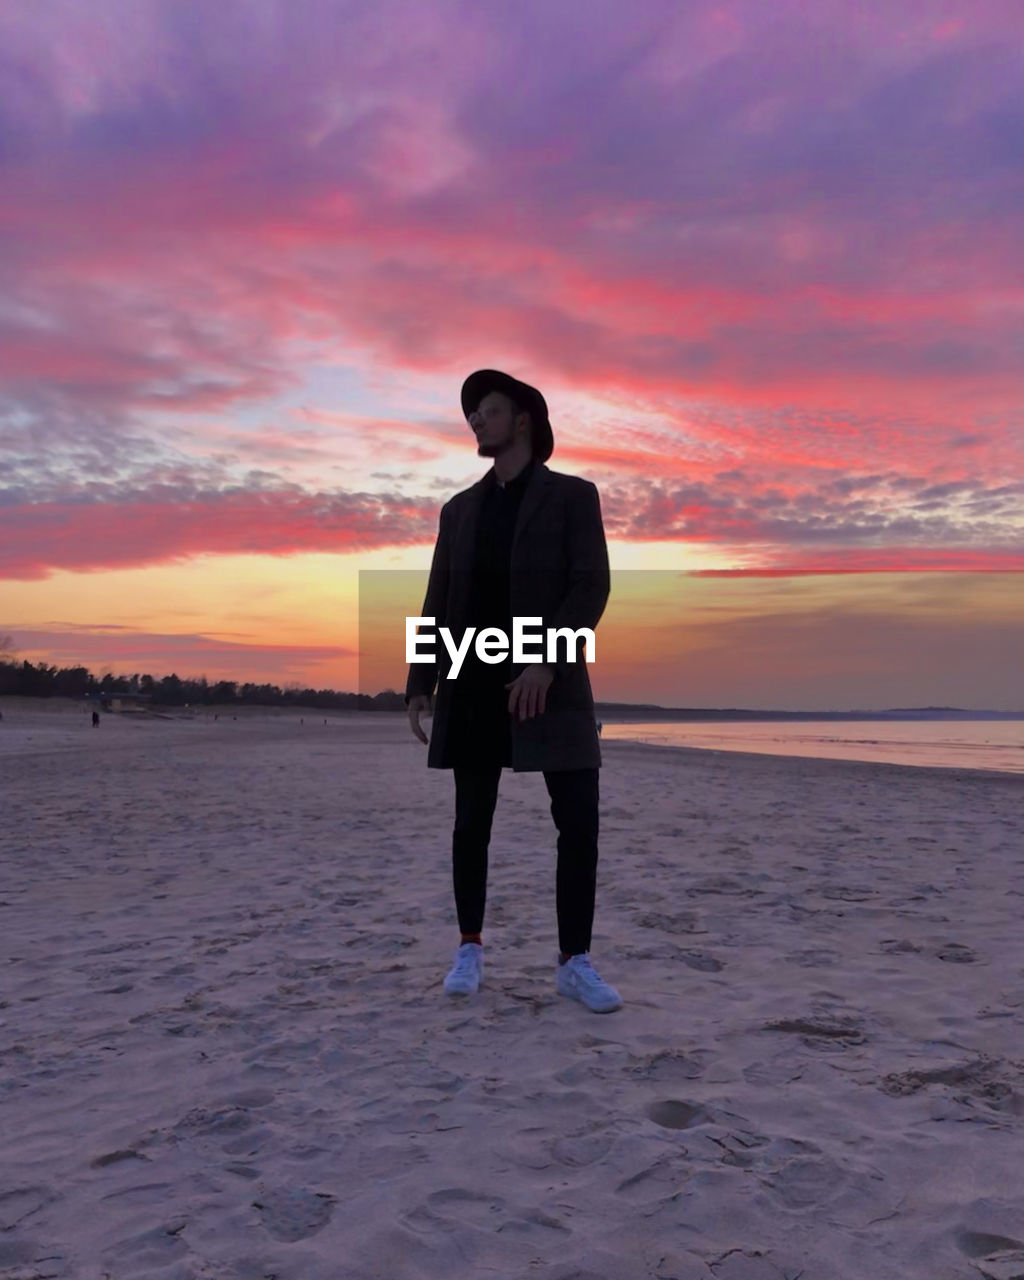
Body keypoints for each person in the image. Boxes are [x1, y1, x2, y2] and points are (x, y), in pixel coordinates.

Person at [406, 369, 621, 1013]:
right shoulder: (459, 510)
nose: (477, 421)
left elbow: (591, 586)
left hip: (552, 682)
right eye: (472, 414)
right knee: (471, 822)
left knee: (578, 822)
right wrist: (422, 680)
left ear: (522, 418)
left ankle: (574, 962)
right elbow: (439, 597)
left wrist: (546, 662)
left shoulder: (573, 497)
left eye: (489, 411)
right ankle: (469, 946)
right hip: (472, 680)